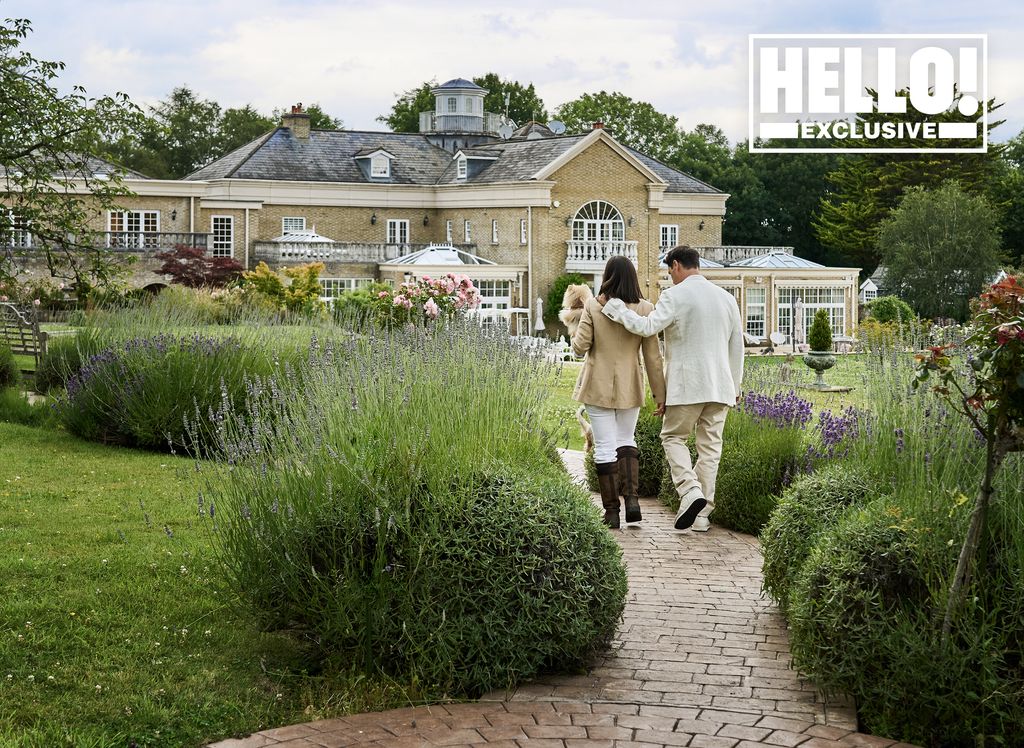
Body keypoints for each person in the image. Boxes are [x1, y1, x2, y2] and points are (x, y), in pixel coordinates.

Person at [602, 245, 743, 532]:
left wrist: (616, 309)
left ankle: (690, 491)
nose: (670, 278)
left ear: (677, 265)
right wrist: (736, 385)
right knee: (710, 450)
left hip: (688, 385)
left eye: (669, 272)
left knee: (672, 438)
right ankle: (702, 516)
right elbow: (736, 347)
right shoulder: (727, 299)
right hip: (722, 387)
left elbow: (646, 326)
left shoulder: (674, 296)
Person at [571, 255, 666, 529]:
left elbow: (580, 347)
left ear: (607, 277)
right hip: (630, 384)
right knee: (626, 438)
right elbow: (653, 358)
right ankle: (632, 502)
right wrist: (661, 395)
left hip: (597, 385)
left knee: (603, 447)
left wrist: (575, 329)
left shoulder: (593, 305)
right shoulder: (647, 308)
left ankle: (611, 512)